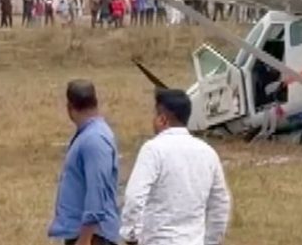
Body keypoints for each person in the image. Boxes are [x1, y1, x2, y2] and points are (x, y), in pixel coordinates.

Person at [120, 88, 231, 245]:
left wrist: (131, 236)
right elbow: (220, 204)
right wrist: (211, 240)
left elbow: (134, 197)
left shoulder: (153, 149)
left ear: (162, 119)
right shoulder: (208, 153)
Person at [48, 80, 120, 245]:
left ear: (70, 108)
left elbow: (97, 188)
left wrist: (85, 238)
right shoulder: (91, 135)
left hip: (94, 236)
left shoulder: (94, 139)